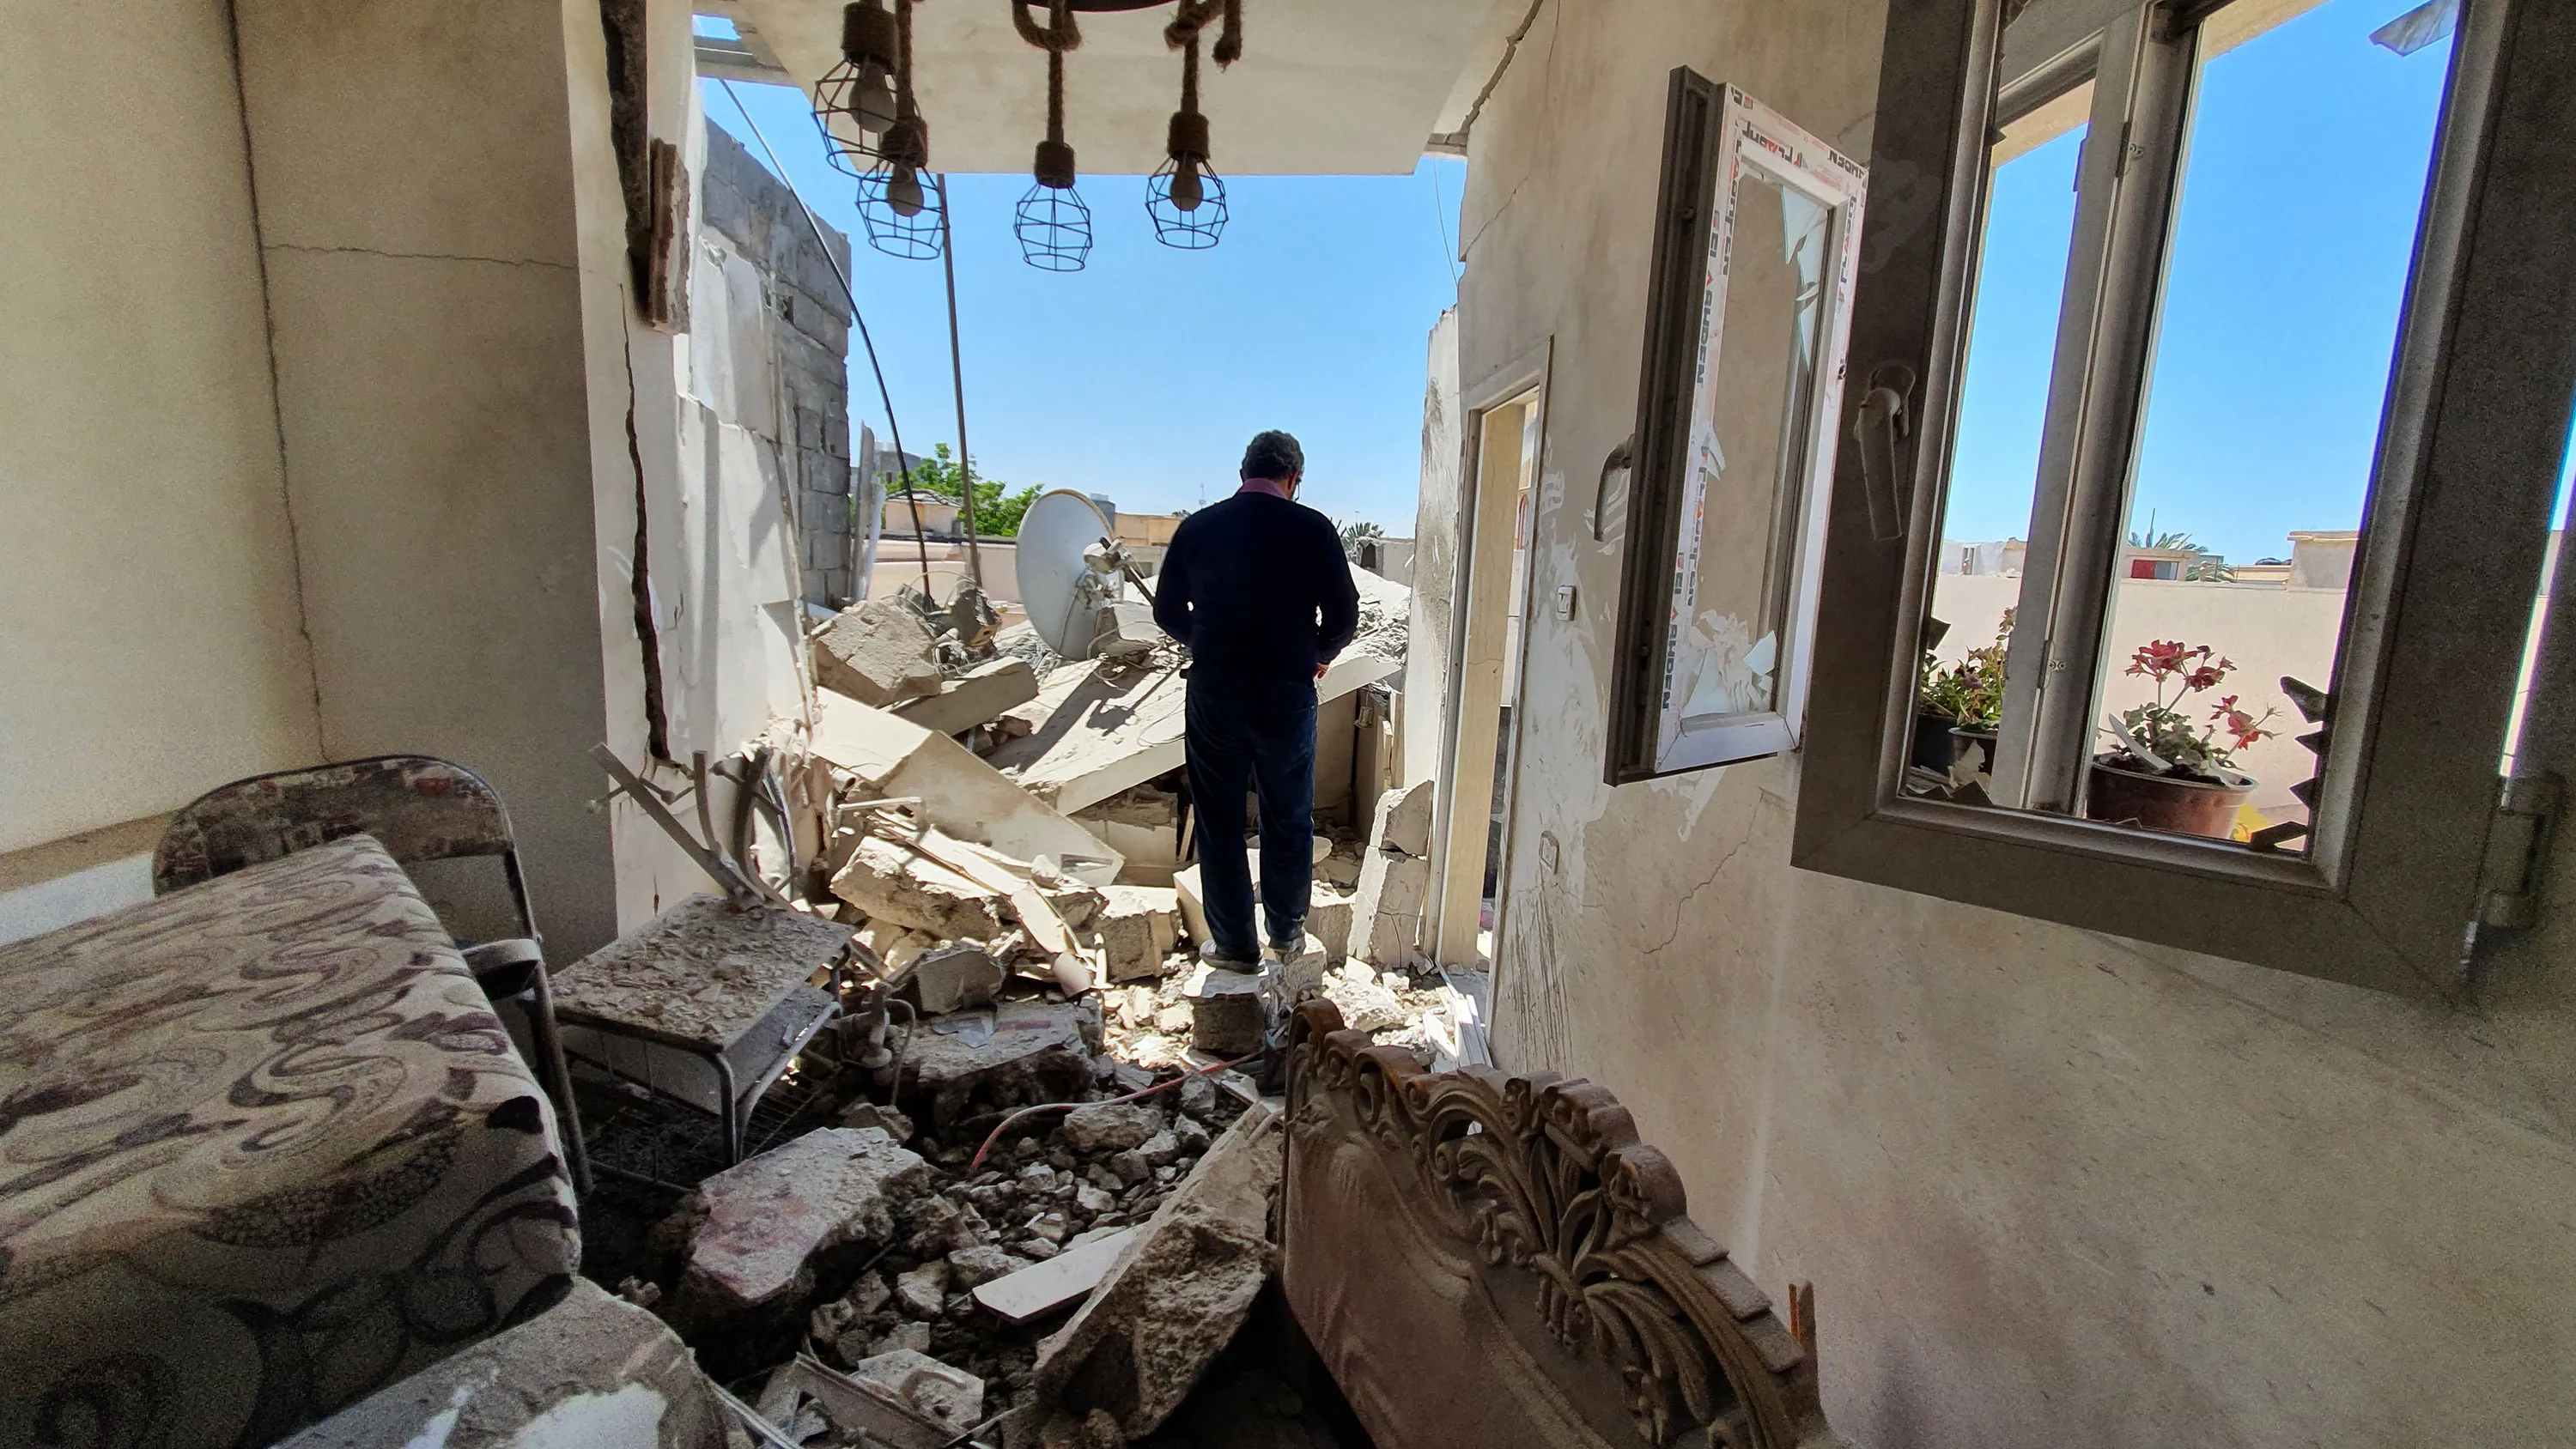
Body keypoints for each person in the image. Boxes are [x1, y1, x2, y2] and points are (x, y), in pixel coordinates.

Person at [1151, 430, 1359, 968]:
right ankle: (1286, 935)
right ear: (1294, 478)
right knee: (1286, 814)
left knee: (1219, 818)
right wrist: (1317, 653)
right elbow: (1343, 616)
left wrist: (1211, 640)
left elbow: (1168, 611)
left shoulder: (1198, 528)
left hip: (1216, 689)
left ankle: (1235, 947)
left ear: (1243, 473)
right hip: (1286, 690)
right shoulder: (1312, 529)